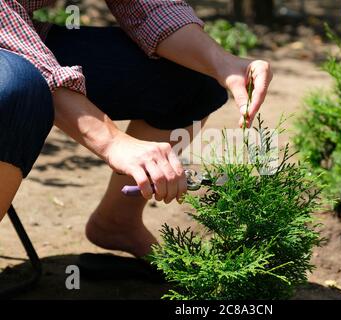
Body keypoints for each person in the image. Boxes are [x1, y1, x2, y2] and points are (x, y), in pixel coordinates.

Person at [0, 0, 273, 258]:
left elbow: (144, 4)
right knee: (19, 89)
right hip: (11, 55)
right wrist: (111, 142)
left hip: (22, 34)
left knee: (192, 77)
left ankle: (117, 223)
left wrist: (220, 61)